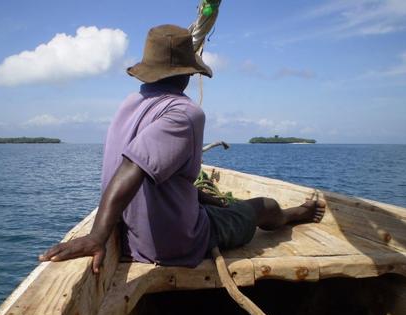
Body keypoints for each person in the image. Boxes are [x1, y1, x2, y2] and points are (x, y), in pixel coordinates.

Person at [39, 24, 326, 273]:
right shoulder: (185, 113)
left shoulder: (129, 104)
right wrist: (97, 237)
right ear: (188, 73)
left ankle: (215, 205)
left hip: (131, 236)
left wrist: (200, 196)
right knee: (264, 206)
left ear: (148, 72)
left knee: (214, 204)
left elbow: (154, 177)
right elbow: (132, 167)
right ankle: (293, 215)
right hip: (176, 241)